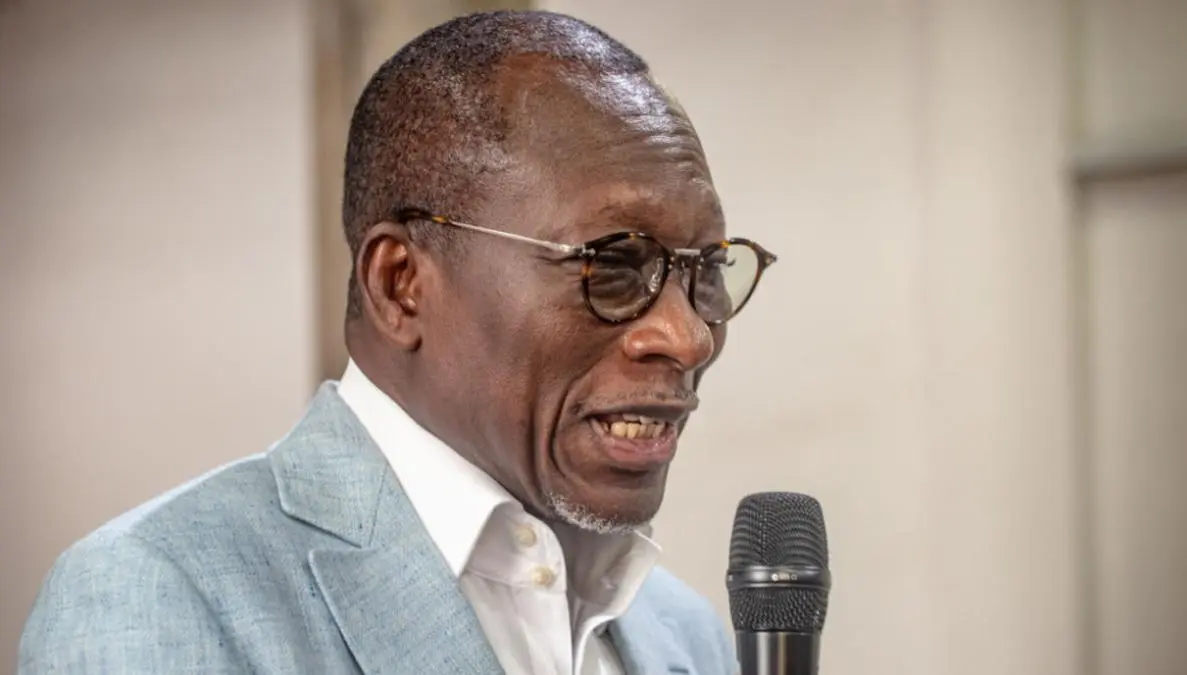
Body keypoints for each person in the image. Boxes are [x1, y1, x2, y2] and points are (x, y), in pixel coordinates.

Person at [18, 10, 777, 674]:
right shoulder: (158, 592)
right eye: (612, 264)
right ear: (400, 284)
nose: (689, 337)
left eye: (707, 269)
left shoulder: (683, 632)